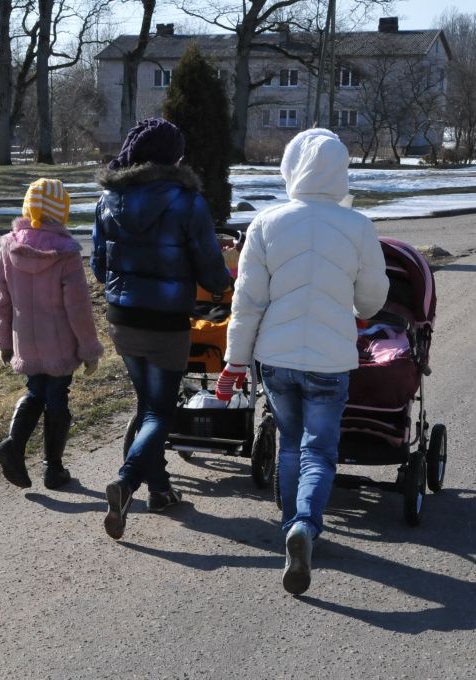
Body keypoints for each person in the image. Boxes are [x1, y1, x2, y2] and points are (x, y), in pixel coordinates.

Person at [215, 129, 389, 595]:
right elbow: (371, 302)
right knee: (320, 450)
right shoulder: (359, 227)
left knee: (290, 442)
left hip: (276, 356)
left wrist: (234, 361)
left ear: (291, 168)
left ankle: (290, 523)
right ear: (341, 171)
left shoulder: (267, 224)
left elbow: (247, 301)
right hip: (330, 360)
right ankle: (305, 526)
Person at [92, 117, 232, 539]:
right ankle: (127, 480)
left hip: (122, 317)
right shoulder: (186, 201)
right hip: (167, 319)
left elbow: (100, 267)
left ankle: (160, 489)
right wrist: (223, 282)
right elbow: (211, 271)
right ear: (173, 157)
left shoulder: (107, 200)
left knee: (147, 405)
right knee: (160, 411)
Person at [0, 178, 104, 490]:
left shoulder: (8, 246)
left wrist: (4, 341)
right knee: (57, 397)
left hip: (24, 340)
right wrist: (89, 349)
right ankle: (53, 469)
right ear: (62, 212)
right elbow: (78, 308)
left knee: (35, 392)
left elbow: (2, 301)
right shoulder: (65, 254)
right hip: (59, 343)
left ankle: (14, 445)